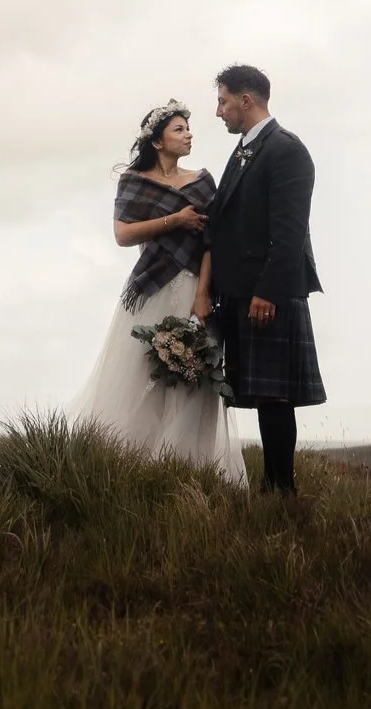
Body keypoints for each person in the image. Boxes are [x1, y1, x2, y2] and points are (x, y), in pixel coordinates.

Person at [68, 101, 249, 485]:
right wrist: (176, 219)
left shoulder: (203, 181)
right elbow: (122, 235)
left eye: (188, 129)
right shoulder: (134, 182)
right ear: (157, 141)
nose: (188, 135)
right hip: (150, 287)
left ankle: (188, 471)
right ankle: (127, 466)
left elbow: (211, 243)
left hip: (193, 291)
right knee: (138, 373)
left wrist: (203, 295)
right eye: (179, 130)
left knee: (193, 377)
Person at [205, 64, 324, 495]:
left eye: (222, 101)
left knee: (275, 397)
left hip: (269, 292)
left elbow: (290, 233)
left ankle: (281, 488)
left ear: (246, 100)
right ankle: (271, 486)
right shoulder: (245, 151)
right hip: (244, 292)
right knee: (263, 395)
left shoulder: (286, 150)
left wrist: (267, 292)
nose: (218, 112)